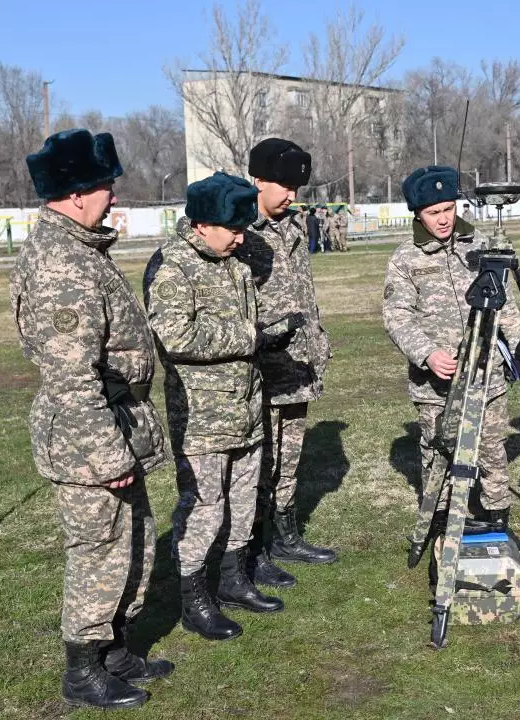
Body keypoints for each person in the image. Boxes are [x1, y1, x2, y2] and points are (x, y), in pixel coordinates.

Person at [9, 129, 172, 710]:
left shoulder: (81, 251)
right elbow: (72, 376)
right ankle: (83, 669)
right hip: (88, 438)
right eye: (106, 186)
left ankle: (115, 650)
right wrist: (107, 456)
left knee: (135, 543)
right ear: (76, 194)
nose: (112, 197)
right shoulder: (61, 265)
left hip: (116, 423)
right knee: (99, 550)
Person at [143, 171, 284, 642]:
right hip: (202, 415)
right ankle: (194, 598)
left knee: (242, 501)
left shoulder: (235, 263)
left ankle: (233, 577)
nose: (241, 238)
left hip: (245, 406)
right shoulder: (173, 266)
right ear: (203, 224)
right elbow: (173, 335)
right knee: (204, 507)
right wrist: (251, 338)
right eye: (233, 229)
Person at [382, 165, 520, 559]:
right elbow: (397, 315)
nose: (444, 218)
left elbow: (506, 302)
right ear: (417, 214)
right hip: (436, 383)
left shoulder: (480, 245)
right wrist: (427, 354)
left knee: (493, 451)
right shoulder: (405, 258)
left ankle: (498, 527)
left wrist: (514, 345)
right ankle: (446, 527)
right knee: (438, 453)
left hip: (486, 375)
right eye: (433, 212)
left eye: (448, 208)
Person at [235, 138, 337, 590]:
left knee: (290, 455)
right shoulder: (238, 228)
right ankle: (252, 547)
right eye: (283, 184)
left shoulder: (293, 227)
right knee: (261, 460)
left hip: (298, 361)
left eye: (297, 186)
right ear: (257, 179)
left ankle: (284, 534)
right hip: (262, 362)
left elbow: (303, 292)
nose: (291, 194)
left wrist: (317, 338)